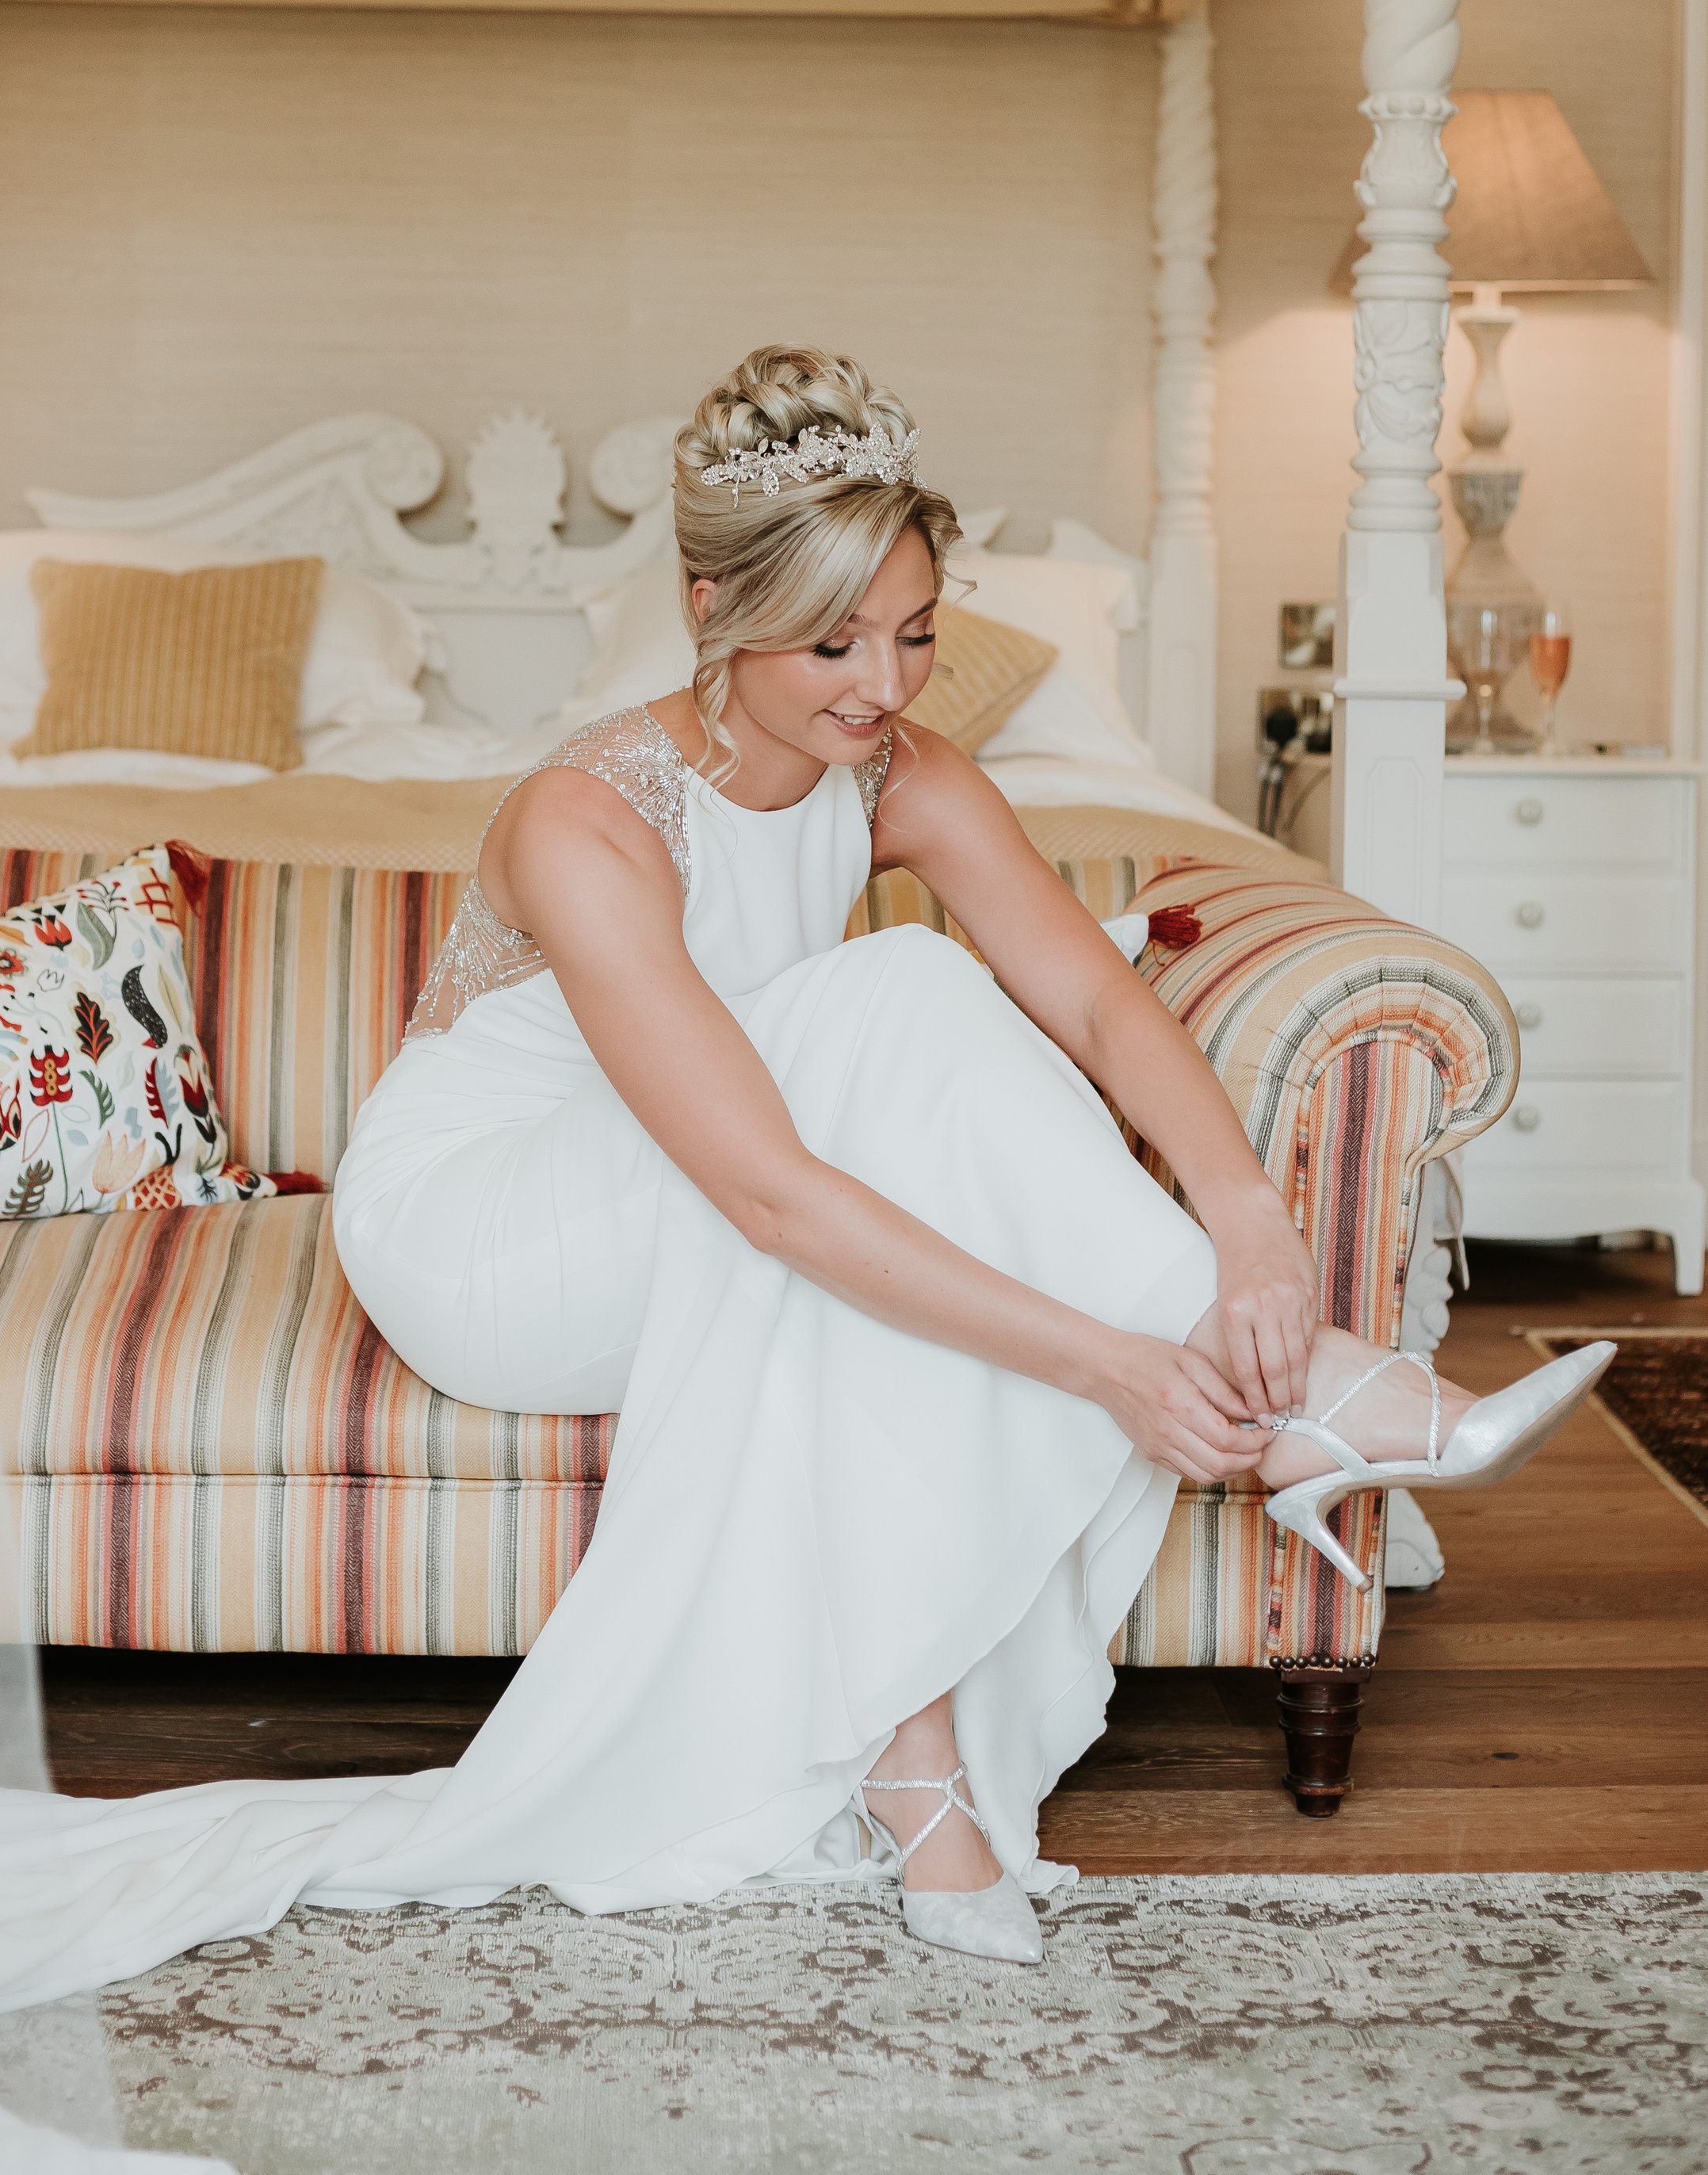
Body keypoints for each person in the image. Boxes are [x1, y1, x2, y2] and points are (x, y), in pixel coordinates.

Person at [332, 345, 1610, 1963]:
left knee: (898, 1072)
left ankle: (922, 1775)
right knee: (898, 999)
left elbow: (1094, 997)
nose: (885, 686)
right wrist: (1112, 1366)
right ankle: (1315, 1406)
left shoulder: (902, 775)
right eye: (832, 642)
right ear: (711, 606)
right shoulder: (588, 821)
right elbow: (769, 1195)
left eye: (917, 630)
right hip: (491, 1234)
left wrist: (1248, 1225)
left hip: (719, 1195)